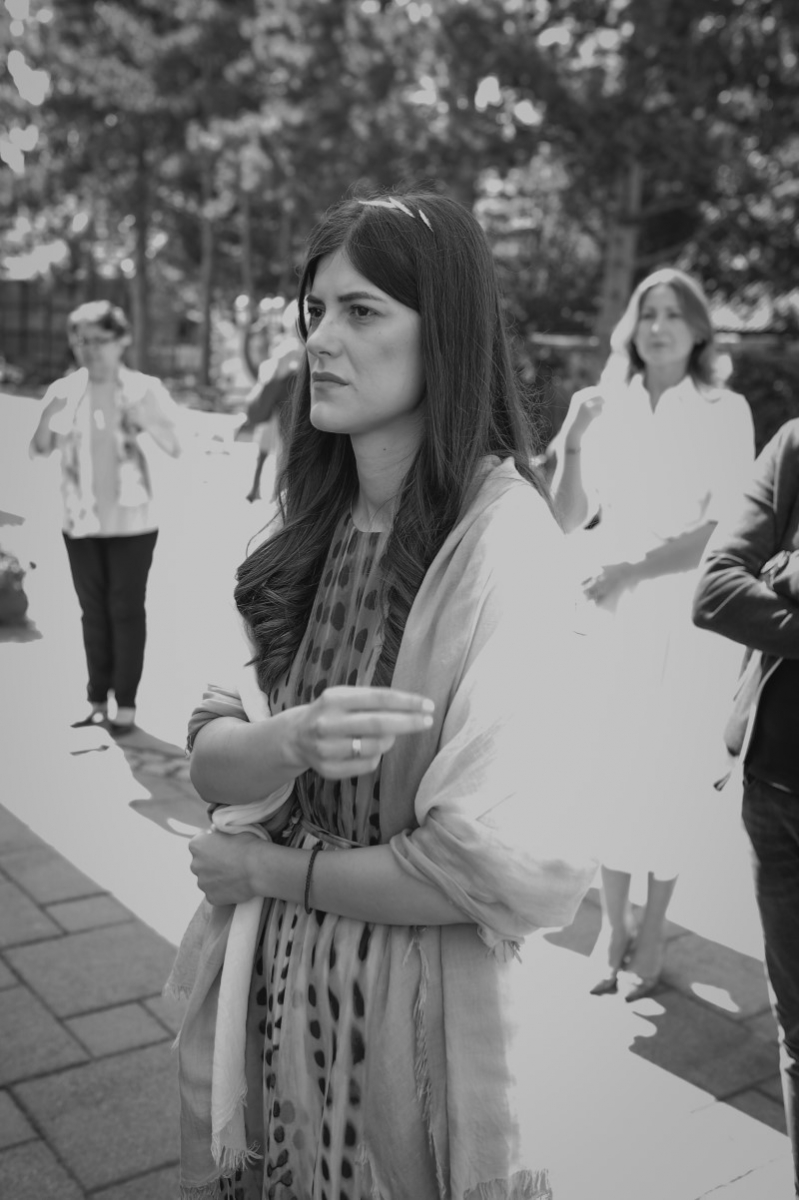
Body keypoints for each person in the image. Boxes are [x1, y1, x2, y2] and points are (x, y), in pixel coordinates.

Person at [169, 189, 597, 1199]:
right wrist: (290, 742)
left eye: (362, 312)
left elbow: (486, 870)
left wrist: (263, 867)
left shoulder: (503, 544)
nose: (321, 339)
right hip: (263, 1000)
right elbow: (209, 748)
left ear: (442, 332)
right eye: (314, 310)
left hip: (404, 1028)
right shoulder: (308, 522)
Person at [549, 267, 754, 1001]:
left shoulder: (725, 411)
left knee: (669, 772)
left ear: (698, 330)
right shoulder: (608, 406)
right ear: (631, 327)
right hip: (612, 614)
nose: (658, 326)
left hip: (685, 616)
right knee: (612, 765)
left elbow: (722, 527)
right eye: (647, 312)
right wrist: (573, 440)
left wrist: (632, 569)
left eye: (673, 313)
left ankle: (657, 925)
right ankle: (611, 924)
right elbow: (568, 517)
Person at [692, 419, 799, 1198]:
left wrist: (786, 572)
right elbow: (715, 592)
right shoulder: (794, 446)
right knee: (797, 1034)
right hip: (773, 792)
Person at [29, 299, 181, 734]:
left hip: (133, 524)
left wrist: (145, 419)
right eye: (82, 341)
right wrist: (48, 416)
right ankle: (97, 699)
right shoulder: (63, 391)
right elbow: (39, 449)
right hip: (80, 523)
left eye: (100, 340)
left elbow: (175, 446)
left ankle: (126, 705)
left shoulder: (144, 389)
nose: (90, 350)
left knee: (125, 610)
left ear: (122, 340)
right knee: (92, 612)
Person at [244, 300, 302, 504]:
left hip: (287, 415)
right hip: (284, 414)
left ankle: (273, 496)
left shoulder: (288, 349)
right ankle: (271, 495)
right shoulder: (288, 350)